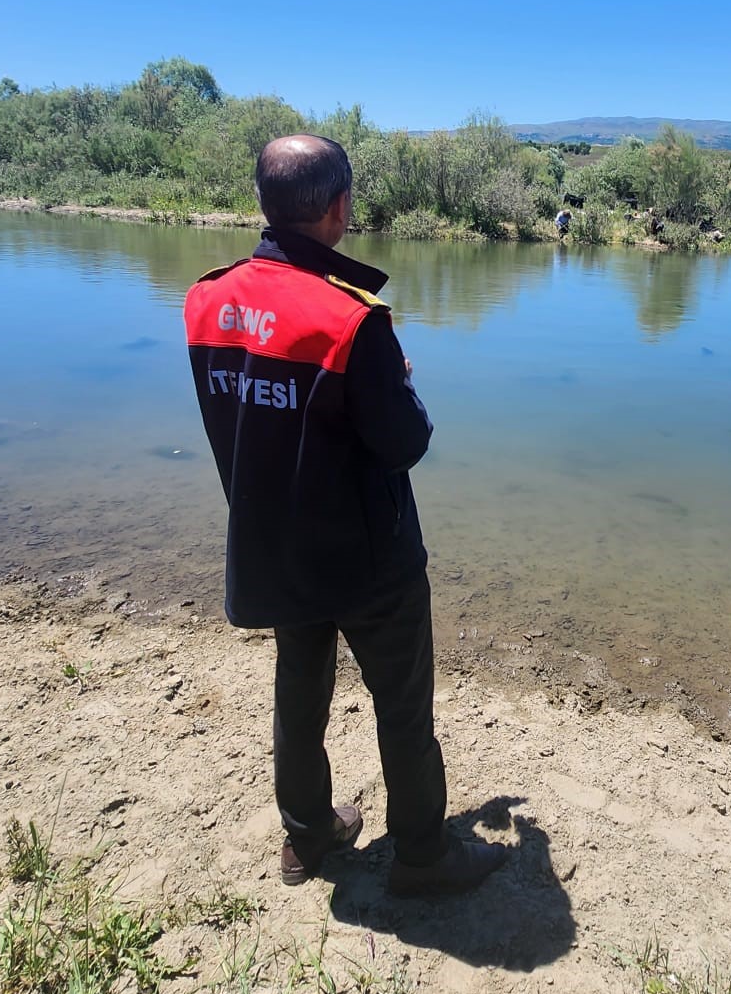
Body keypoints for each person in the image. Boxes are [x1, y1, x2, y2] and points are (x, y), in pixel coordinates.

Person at [183, 134, 506, 895]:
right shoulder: (352, 322)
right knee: (402, 707)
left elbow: (253, 415)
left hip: (272, 542)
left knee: (300, 691)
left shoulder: (205, 300)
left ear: (264, 203)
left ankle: (307, 838)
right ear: (338, 206)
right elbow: (405, 443)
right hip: (369, 558)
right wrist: (396, 380)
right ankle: (424, 857)